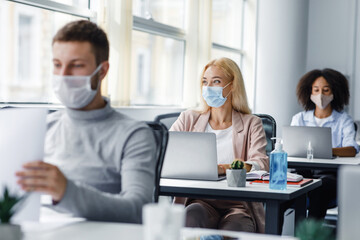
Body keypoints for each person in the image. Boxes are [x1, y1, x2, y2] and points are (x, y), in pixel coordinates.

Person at [15, 20, 157, 223]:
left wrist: (67, 191)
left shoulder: (133, 134)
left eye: (76, 65)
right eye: (57, 65)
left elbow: (137, 208)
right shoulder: (42, 127)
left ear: (102, 71)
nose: (63, 76)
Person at [171, 57, 269, 233]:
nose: (208, 88)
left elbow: (261, 163)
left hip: (238, 204)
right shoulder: (188, 118)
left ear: (232, 86)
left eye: (216, 81)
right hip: (200, 199)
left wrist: (224, 168)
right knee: (190, 218)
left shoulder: (252, 123)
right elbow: (167, 150)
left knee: (236, 228)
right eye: (205, 82)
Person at [291, 68, 359, 219]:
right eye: (316, 90)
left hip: (330, 175)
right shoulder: (299, 118)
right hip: (302, 172)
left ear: (335, 92)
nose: (320, 95)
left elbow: (351, 150)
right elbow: (291, 147)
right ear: (309, 92)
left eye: (326, 90)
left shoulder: (344, 120)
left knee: (319, 189)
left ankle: (310, 234)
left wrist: (327, 150)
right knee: (287, 190)